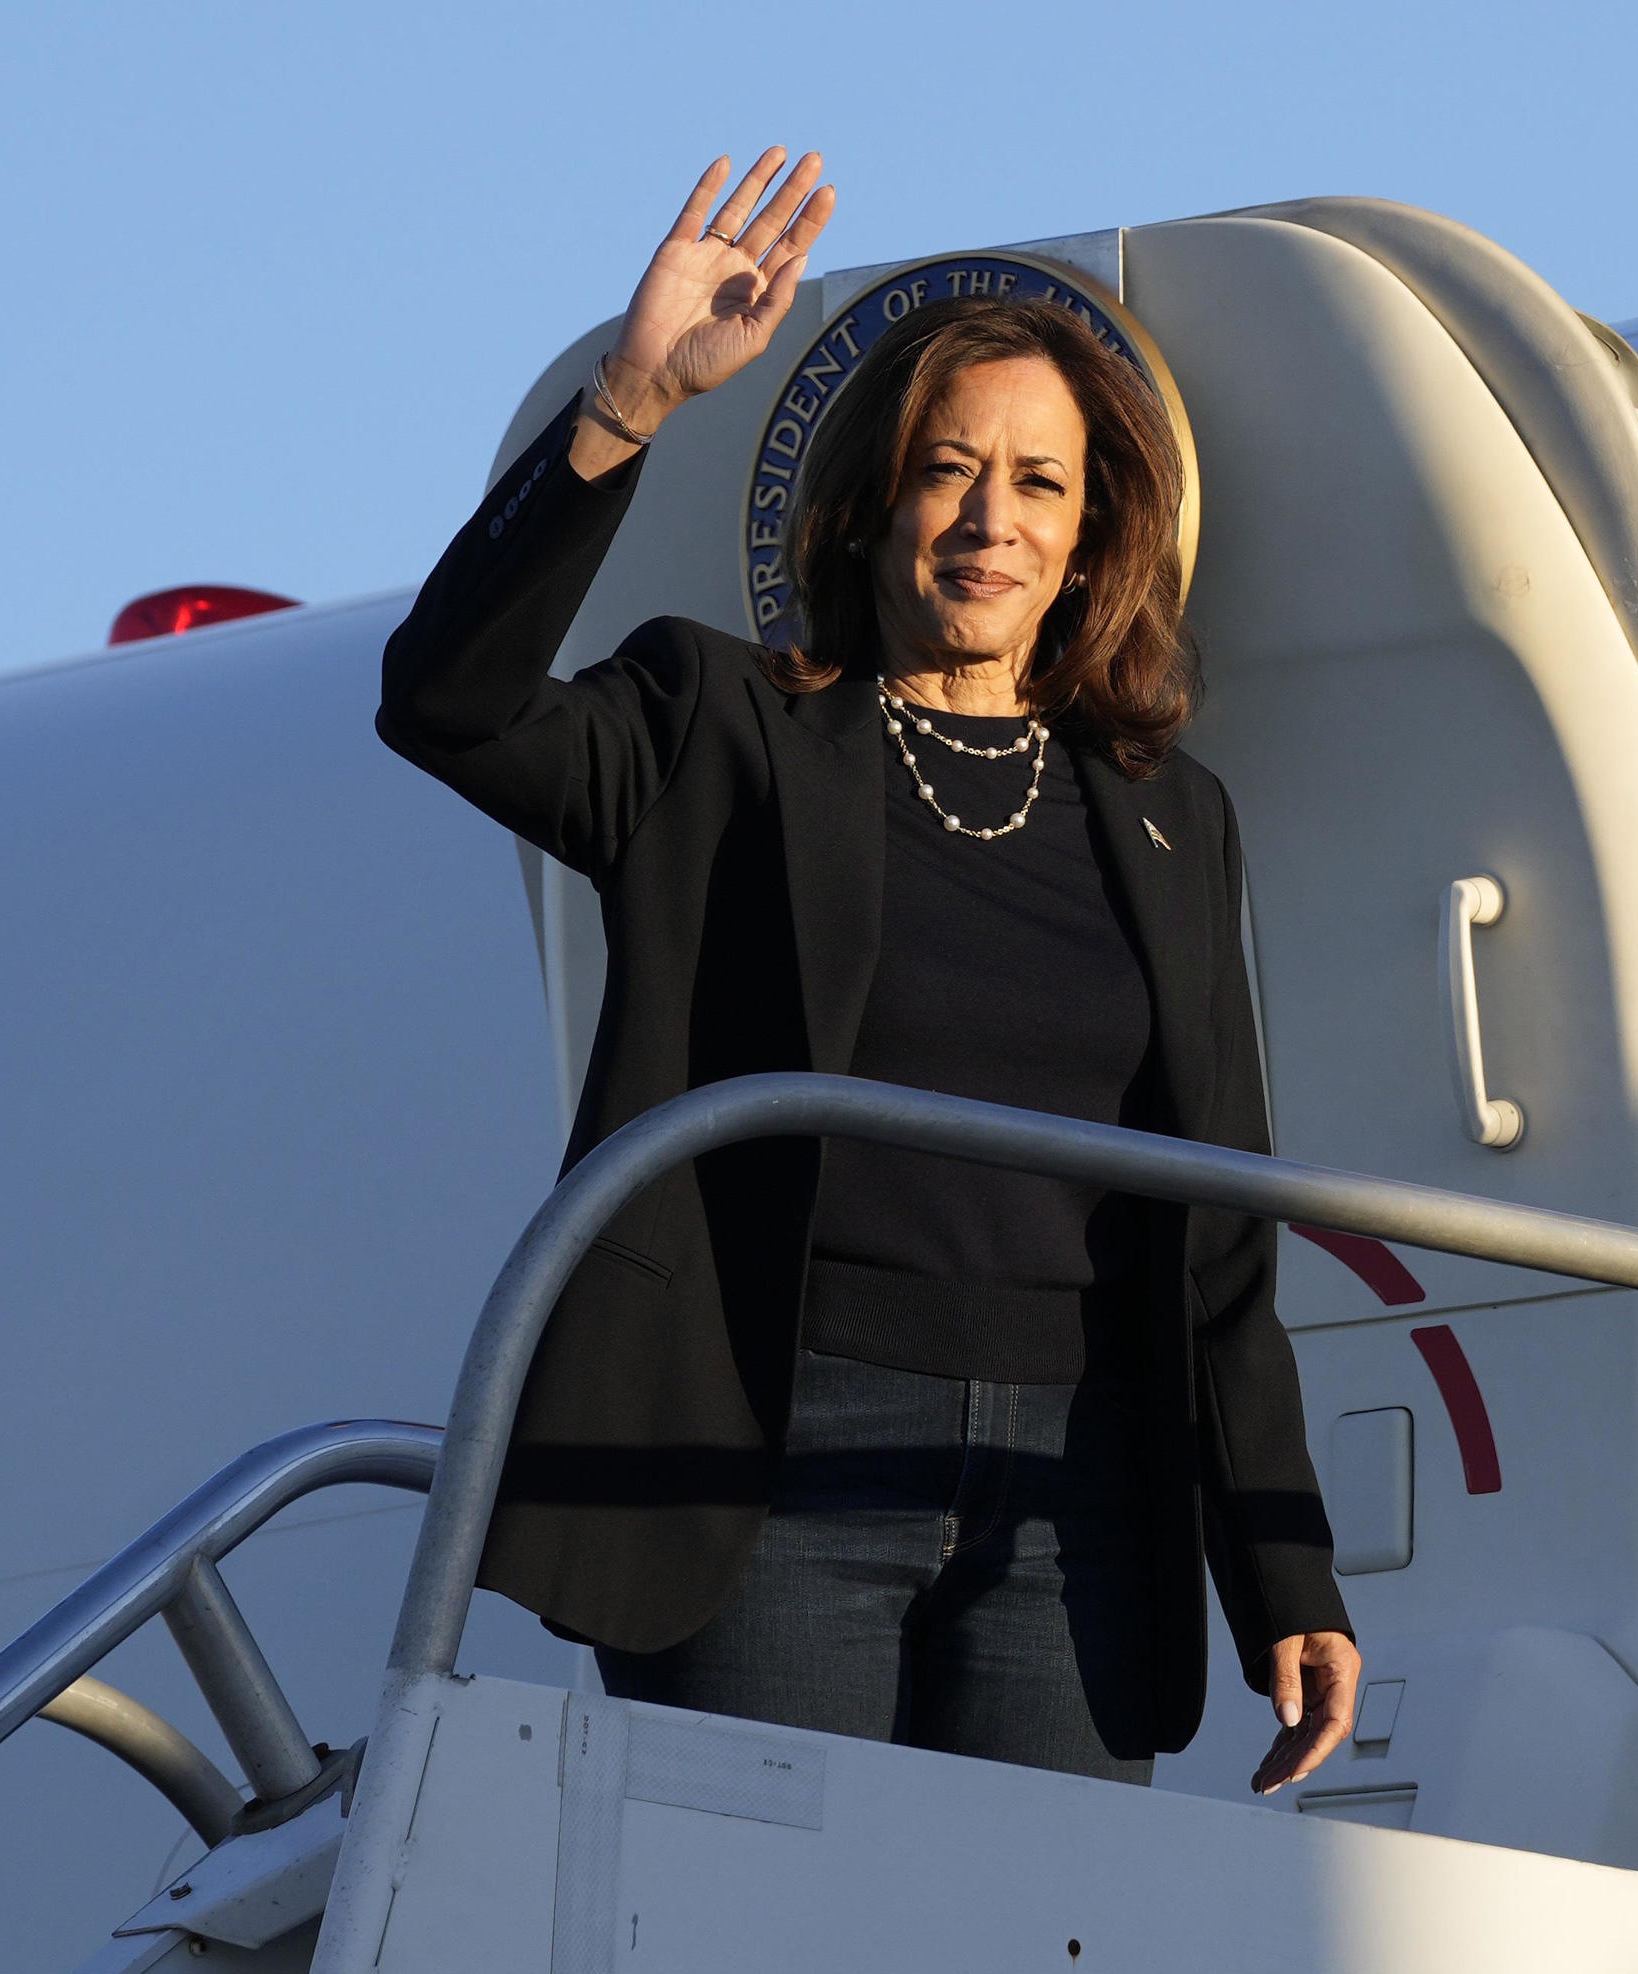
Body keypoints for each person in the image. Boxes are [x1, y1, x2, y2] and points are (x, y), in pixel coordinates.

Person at [380, 146, 1358, 1791]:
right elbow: (446, 705)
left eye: (1040, 485)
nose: (990, 522)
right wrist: (626, 402)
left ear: (1093, 533)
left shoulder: (1173, 818)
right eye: (947, 472)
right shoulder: (717, 727)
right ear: (873, 506)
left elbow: (1217, 1226)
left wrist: (1281, 1564)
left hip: (1080, 1497)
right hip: (773, 1465)